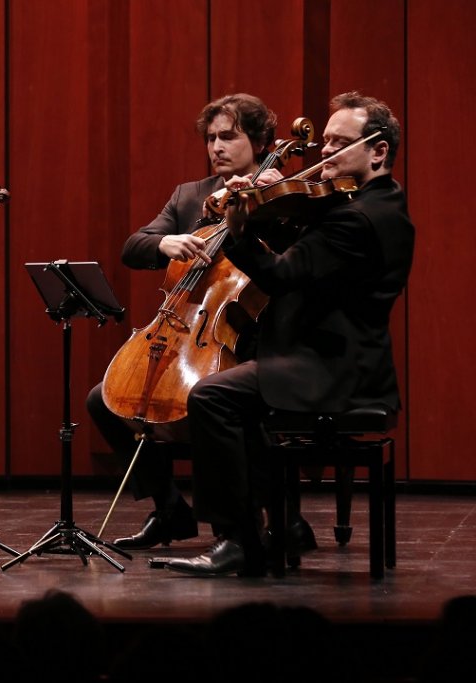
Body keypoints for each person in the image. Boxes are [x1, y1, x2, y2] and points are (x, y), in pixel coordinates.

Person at [164, 91, 414, 576]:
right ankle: (281, 524)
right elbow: (306, 248)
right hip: (343, 356)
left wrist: (238, 231)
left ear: (378, 151)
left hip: (332, 369)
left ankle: (238, 539)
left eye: (340, 144)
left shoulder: (357, 219)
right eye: (324, 142)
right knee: (240, 393)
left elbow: (281, 275)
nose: (324, 152)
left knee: (212, 396)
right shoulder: (378, 202)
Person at [86, 93, 277, 551]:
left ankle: (243, 523)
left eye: (228, 137)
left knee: (208, 400)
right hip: (186, 333)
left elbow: (286, 265)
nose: (217, 147)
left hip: (249, 340)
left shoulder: (277, 194)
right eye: (211, 138)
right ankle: (169, 509)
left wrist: (258, 204)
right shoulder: (190, 195)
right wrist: (166, 243)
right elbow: (133, 246)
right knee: (106, 400)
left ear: (258, 140)